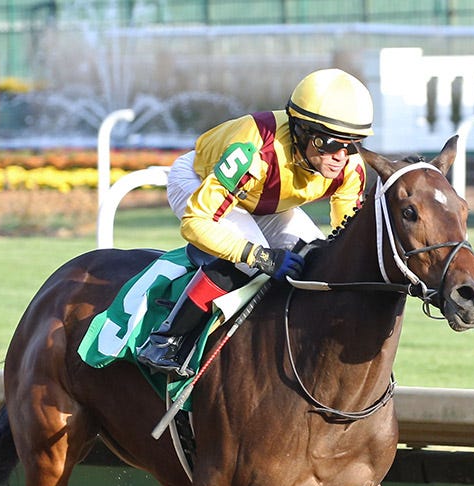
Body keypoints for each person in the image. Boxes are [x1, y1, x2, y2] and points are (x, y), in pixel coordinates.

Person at [136, 67, 374, 378]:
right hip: (198, 180)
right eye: (330, 143)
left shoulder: (350, 167)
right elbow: (196, 222)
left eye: (351, 144)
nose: (341, 156)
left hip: (262, 198)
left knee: (316, 258)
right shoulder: (254, 150)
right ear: (302, 132)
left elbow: (346, 235)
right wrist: (258, 256)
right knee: (249, 263)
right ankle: (165, 340)